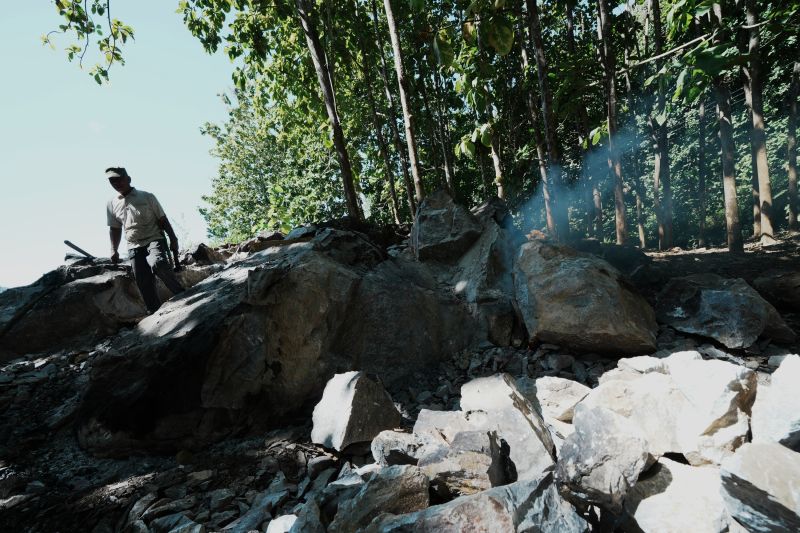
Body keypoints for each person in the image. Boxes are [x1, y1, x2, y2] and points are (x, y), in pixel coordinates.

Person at [105, 167, 184, 313]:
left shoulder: (147, 196)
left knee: (158, 262)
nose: (116, 183)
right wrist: (113, 250)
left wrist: (173, 238)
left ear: (128, 179)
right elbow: (115, 228)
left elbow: (163, 219)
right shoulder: (111, 204)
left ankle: (181, 294)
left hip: (154, 238)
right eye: (112, 181)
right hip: (133, 245)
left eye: (119, 179)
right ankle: (155, 313)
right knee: (142, 280)